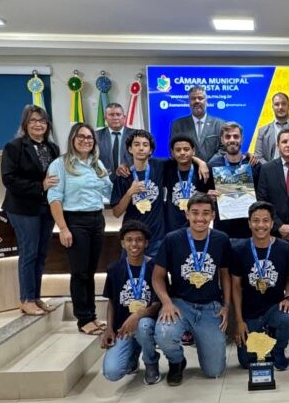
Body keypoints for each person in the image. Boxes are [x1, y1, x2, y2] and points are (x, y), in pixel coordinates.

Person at [152, 192, 231, 385]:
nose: (200, 218)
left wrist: (226, 306)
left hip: (210, 307)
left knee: (214, 371)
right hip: (180, 304)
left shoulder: (221, 239)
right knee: (164, 334)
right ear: (187, 214)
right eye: (195, 213)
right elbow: (157, 278)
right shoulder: (172, 239)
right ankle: (177, 362)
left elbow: (225, 275)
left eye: (205, 213)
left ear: (213, 215)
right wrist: (167, 303)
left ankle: (204, 338)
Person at [47, 123, 114, 335]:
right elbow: (55, 199)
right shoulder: (60, 164)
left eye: (89, 137)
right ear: (72, 139)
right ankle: (83, 319)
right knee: (79, 273)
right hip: (75, 222)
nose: (86, 140)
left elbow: (109, 189)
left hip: (96, 219)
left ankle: (92, 316)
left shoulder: (97, 164)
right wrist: (63, 228)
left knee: (90, 272)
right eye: (81, 136)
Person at [1, 105, 60, 316]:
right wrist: (40, 186)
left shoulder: (52, 148)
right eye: (33, 120)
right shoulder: (14, 147)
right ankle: (26, 299)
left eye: (42, 121)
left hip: (46, 208)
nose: (38, 125)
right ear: (25, 123)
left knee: (41, 254)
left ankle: (36, 297)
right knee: (29, 253)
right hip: (22, 208)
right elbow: (9, 179)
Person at [230, 202, 289, 371]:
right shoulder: (239, 249)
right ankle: (261, 334)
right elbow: (236, 287)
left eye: (265, 220)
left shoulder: (285, 248)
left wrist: (288, 297)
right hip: (250, 312)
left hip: (274, 307)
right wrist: (238, 321)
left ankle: (278, 349)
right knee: (246, 362)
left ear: (272, 223)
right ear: (249, 223)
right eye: (256, 220)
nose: (261, 225)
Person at [100, 220, 161, 385]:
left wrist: (138, 315)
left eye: (139, 239)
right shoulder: (114, 269)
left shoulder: (155, 266)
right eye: (129, 240)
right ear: (122, 243)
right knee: (111, 372)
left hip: (148, 324)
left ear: (146, 242)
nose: (134, 244)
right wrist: (109, 329)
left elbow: (158, 303)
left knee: (144, 326)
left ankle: (151, 363)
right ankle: (132, 357)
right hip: (123, 328)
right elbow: (112, 302)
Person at [111, 130, 166, 258]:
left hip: (156, 236)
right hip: (132, 238)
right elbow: (117, 212)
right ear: (130, 149)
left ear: (151, 150)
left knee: (155, 275)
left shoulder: (160, 166)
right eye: (136, 144)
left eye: (145, 145)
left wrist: (201, 163)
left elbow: (183, 159)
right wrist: (130, 193)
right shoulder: (123, 175)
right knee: (131, 275)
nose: (141, 148)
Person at [206, 122, 261, 240]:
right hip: (222, 229)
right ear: (222, 140)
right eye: (227, 136)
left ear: (242, 139)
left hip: (250, 229)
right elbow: (203, 195)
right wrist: (208, 196)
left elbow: (262, 194)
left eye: (236, 136)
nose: (232, 140)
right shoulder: (212, 166)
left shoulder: (253, 164)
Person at [162, 135, 211, 234]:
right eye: (178, 150)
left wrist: (201, 163)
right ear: (172, 153)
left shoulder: (203, 171)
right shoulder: (167, 168)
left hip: (197, 224)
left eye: (186, 149)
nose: (182, 153)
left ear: (193, 151)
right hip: (172, 226)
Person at [170, 86, 225, 162]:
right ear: (189, 102)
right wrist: (198, 163)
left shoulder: (220, 124)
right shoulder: (178, 124)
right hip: (188, 170)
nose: (197, 101)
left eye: (200, 98)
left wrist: (208, 165)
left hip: (214, 170)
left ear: (206, 101)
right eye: (193, 98)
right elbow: (173, 150)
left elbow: (224, 149)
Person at [253, 92, 289, 162]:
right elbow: (258, 156)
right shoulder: (262, 131)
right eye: (277, 104)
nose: (280, 107)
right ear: (272, 107)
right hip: (270, 170)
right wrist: (270, 169)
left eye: (283, 104)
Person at [95, 103, 131, 179]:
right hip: (104, 182)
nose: (115, 118)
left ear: (124, 117)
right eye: (111, 115)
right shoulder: (96, 136)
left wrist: (128, 167)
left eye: (118, 114)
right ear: (105, 118)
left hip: (129, 180)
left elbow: (142, 158)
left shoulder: (135, 135)